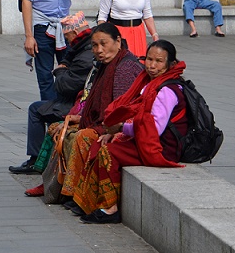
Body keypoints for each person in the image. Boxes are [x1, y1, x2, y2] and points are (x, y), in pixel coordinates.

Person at [72, 40, 188, 224]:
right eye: (149, 59)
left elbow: (154, 128)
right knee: (101, 142)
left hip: (161, 148)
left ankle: (110, 208)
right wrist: (115, 130)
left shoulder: (167, 90)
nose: (151, 65)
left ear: (171, 64)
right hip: (148, 140)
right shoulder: (149, 83)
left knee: (108, 152)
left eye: (158, 61)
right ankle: (88, 201)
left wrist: (120, 128)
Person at [25, 22, 143, 199]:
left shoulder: (125, 67)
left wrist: (105, 129)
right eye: (95, 45)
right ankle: (52, 182)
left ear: (118, 41)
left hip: (116, 126)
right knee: (58, 128)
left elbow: (121, 110)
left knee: (80, 137)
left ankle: (71, 191)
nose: (99, 50)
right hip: (100, 120)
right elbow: (92, 100)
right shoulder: (103, 64)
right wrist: (79, 117)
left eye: (104, 44)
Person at [9, 11, 95, 175]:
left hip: (77, 106)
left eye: (67, 36)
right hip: (77, 100)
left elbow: (64, 86)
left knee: (36, 109)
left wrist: (60, 72)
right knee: (41, 106)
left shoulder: (84, 56)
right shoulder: (83, 48)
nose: (67, 41)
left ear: (75, 33)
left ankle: (35, 160)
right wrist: (65, 62)